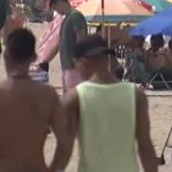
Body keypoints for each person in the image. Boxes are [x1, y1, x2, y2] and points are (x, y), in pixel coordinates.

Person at [0, 29, 70, 172]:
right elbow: (65, 141)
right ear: (34, 57)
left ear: (6, 55)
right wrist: (53, 169)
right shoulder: (48, 94)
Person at [62, 35, 158, 172]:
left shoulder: (74, 98)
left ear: (81, 62)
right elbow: (145, 146)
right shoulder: (136, 94)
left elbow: (65, 147)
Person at [49, 0, 87, 93]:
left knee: (74, 97)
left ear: (60, 2)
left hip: (74, 66)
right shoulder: (67, 18)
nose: (56, 11)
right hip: (67, 65)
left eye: (55, 7)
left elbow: (81, 38)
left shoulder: (75, 16)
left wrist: (77, 58)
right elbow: (60, 43)